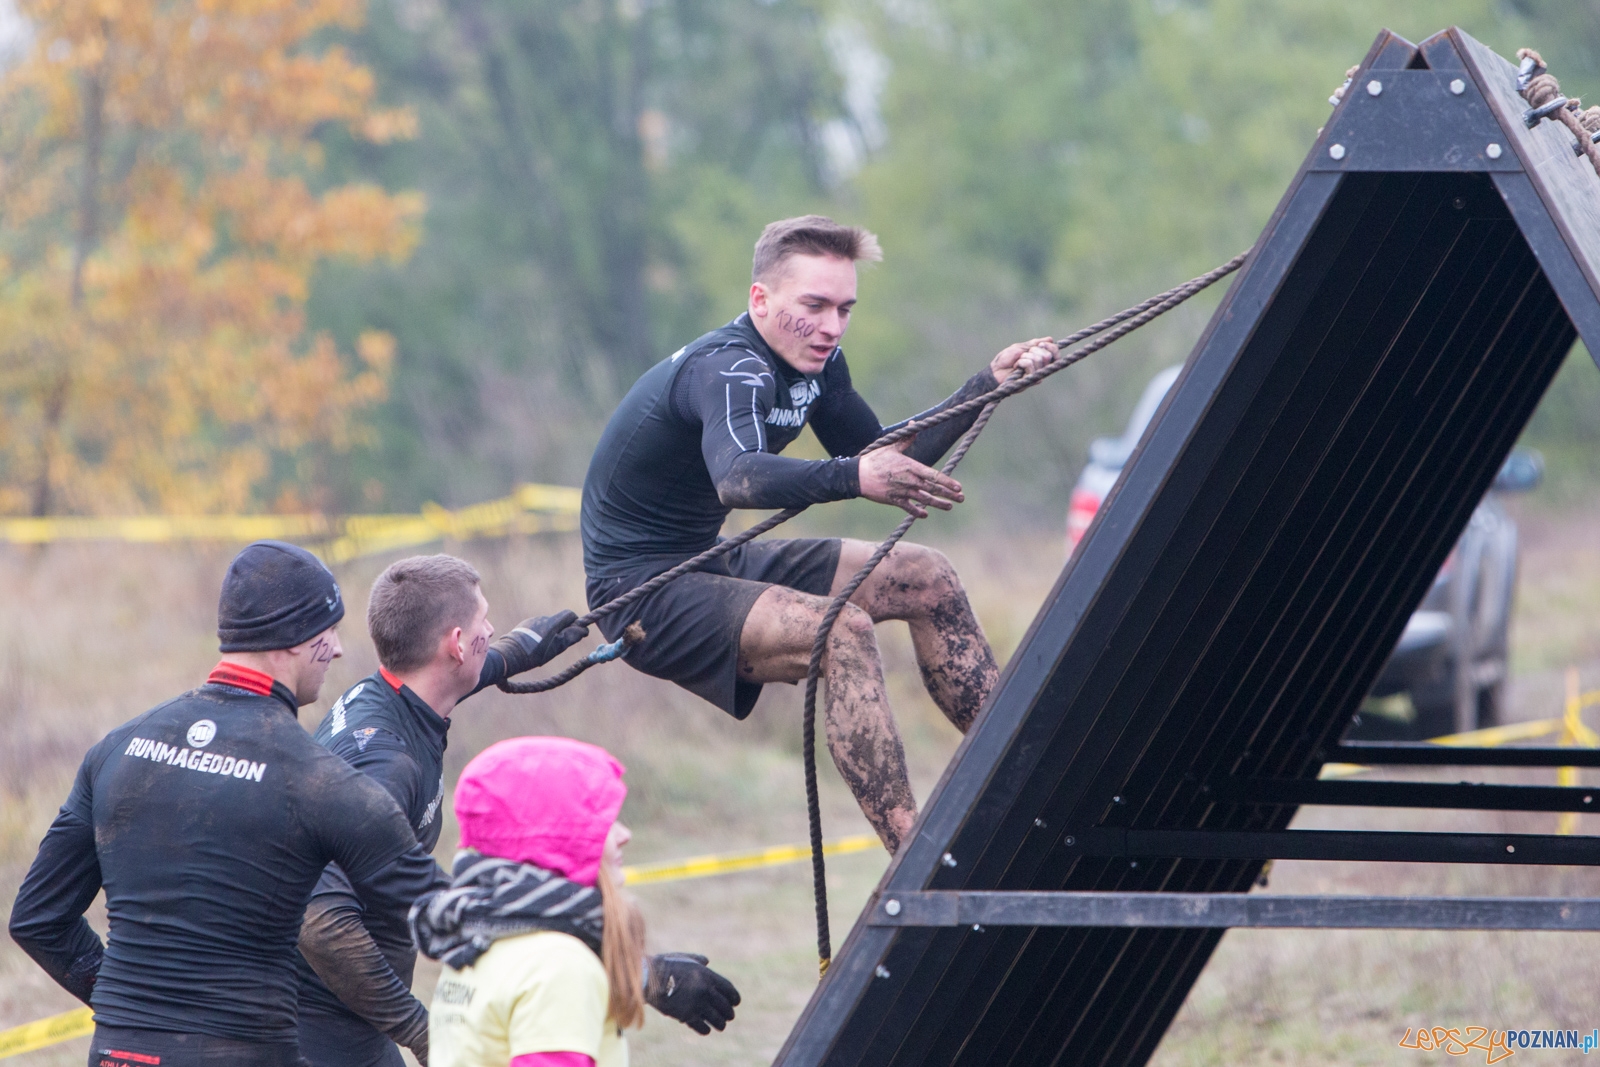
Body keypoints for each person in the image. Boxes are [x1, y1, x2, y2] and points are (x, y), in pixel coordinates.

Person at [581, 214, 1059, 851]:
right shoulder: (730, 368)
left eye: (845, 309)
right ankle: (914, 857)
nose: (832, 327)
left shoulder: (819, 366)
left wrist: (986, 386)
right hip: (642, 593)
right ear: (761, 299)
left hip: (708, 561)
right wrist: (853, 476)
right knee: (843, 629)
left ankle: (1036, 788)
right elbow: (738, 478)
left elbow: (883, 455)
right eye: (814, 306)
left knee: (927, 575)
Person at [7, 540, 442, 1067]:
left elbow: (38, 918)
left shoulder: (118, 748)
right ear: (293, 639)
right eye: (328, 631)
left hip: (119, 1054)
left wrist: (130, 1009)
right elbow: (444, 906)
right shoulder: (317, 778)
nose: (338, 650)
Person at [295, 555, 739, 1067]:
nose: (490, 630)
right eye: (483, 622)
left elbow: (454, 672)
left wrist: (520, 650)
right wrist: (422, 1031)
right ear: (457, 644)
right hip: (322, 1027)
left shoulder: (386, 698)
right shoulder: (387, 765)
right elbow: (320, 920)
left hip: (346, 1017)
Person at [413, 735, 740, 1067]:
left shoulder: (476, 946)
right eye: (604, 823)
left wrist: (644, 975)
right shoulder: (558, 966)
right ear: (558, 843)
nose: (624, 835)